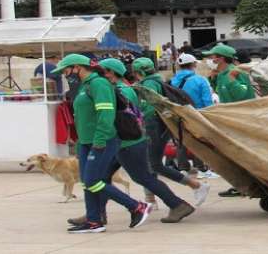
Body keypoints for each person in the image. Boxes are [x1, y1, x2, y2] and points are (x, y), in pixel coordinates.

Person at [68, 58, 196, 226]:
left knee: (142, 177)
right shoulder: (117, 88)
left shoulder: (121, 90)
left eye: (103, 71)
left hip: (128, 143)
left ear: (112, 73)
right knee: (100, 178)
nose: (99, 74)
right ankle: (95, 214)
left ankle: (177, 205)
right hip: (119, 142)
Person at [51, 54, 151, 233]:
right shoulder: (86, 85)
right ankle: (93, 221)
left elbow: (106, 114)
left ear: (77, 67)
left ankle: (136, 207)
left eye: (66, 70)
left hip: (101, 141)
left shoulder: (99, 84)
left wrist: (99, 140)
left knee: (92, 181)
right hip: (86, 142)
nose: (65, 74)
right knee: (86, 181)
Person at [131, 58, 211, 207]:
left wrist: (141, 122)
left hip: (153, 127)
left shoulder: (149, 84)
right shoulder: (158, 81)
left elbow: (149, 109)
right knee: (150, 164)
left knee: (154, 165)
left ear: (137, 72)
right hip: (161, 127)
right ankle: (150, 200)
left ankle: (196, 186)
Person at [203, 44, 256, 197]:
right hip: (230, 120)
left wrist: (232, 80)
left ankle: (247, 185)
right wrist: (212, 80)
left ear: (221, 58)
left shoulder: (236, 72)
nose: (210, 60)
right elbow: (221, 93)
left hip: (242, 120)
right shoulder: (221, 74)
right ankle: (241, 185)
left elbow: (242, 96)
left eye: (213, 57)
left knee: (241, 156)